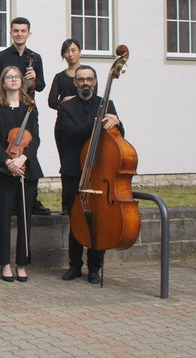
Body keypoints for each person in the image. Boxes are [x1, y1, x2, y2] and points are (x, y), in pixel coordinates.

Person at [58, 65, 121, 284]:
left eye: (89, 79)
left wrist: (117, 123)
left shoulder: (107, 104)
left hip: (99, 170)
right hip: (75, 170)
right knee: (77, 218)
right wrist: (96, 123)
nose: (85, 83)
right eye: (81, 79)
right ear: (75, 83)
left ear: (95, 82)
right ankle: (75, 265)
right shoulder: (66, 107)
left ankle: (95, 268)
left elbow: (117, 137)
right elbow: (71, 134)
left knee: (99, 218)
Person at [0, 17, 50, 216]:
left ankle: (29, 200)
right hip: (5, 109)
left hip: (26, 109)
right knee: (5, 146)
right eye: (16, 30)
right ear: (11, 33)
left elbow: (40, 86)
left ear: (28, 33)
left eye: (23, 31)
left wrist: (34, 78)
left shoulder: (36, 57)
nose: (19, 34)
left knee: (27, 149)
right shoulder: (1, 56)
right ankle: (9, 195)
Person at [0, 66, 43, 283]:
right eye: (9, 77)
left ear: (22, 81)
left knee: (24, 217)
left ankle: (22, 263)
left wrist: (23, 158)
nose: (13, 80)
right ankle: (4, 263)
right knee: (3, 218)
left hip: (27, 168)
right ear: (3, 82)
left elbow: (36, 138)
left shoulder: (30, 107)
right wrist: (9, 162)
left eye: (16, 77)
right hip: (4, 169)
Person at [48, 39, 83, 215]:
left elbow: (91, 97)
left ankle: (83, 200)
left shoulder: (87, 74)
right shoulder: (60, 77)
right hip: (63, 127)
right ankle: (66, 203)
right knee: (66, 164)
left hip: (82, 125)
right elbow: (51, 101)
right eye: (67, 51)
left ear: (80, 51)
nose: (70, 54)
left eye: (74, 50)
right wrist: (65, 101)